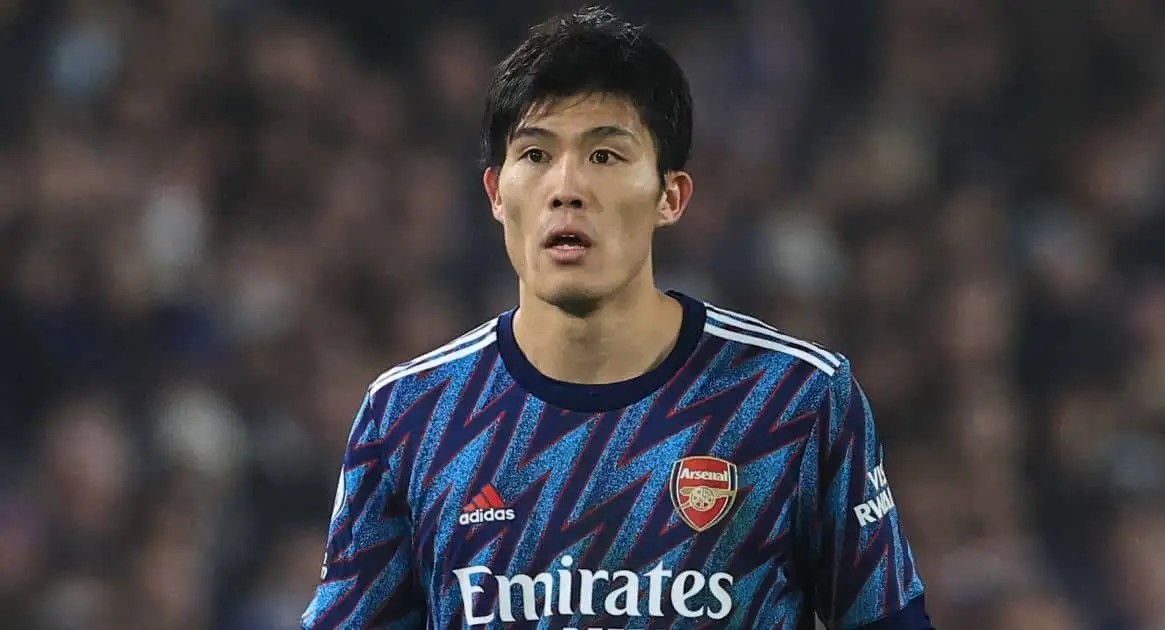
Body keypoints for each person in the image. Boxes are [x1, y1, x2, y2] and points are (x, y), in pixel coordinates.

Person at [303, 6, 933, 629]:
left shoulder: (794, 399)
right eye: (536, 155)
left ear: (671, 195)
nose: (567, 187)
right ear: (497, 194)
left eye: (605, 155)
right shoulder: (410, 416)